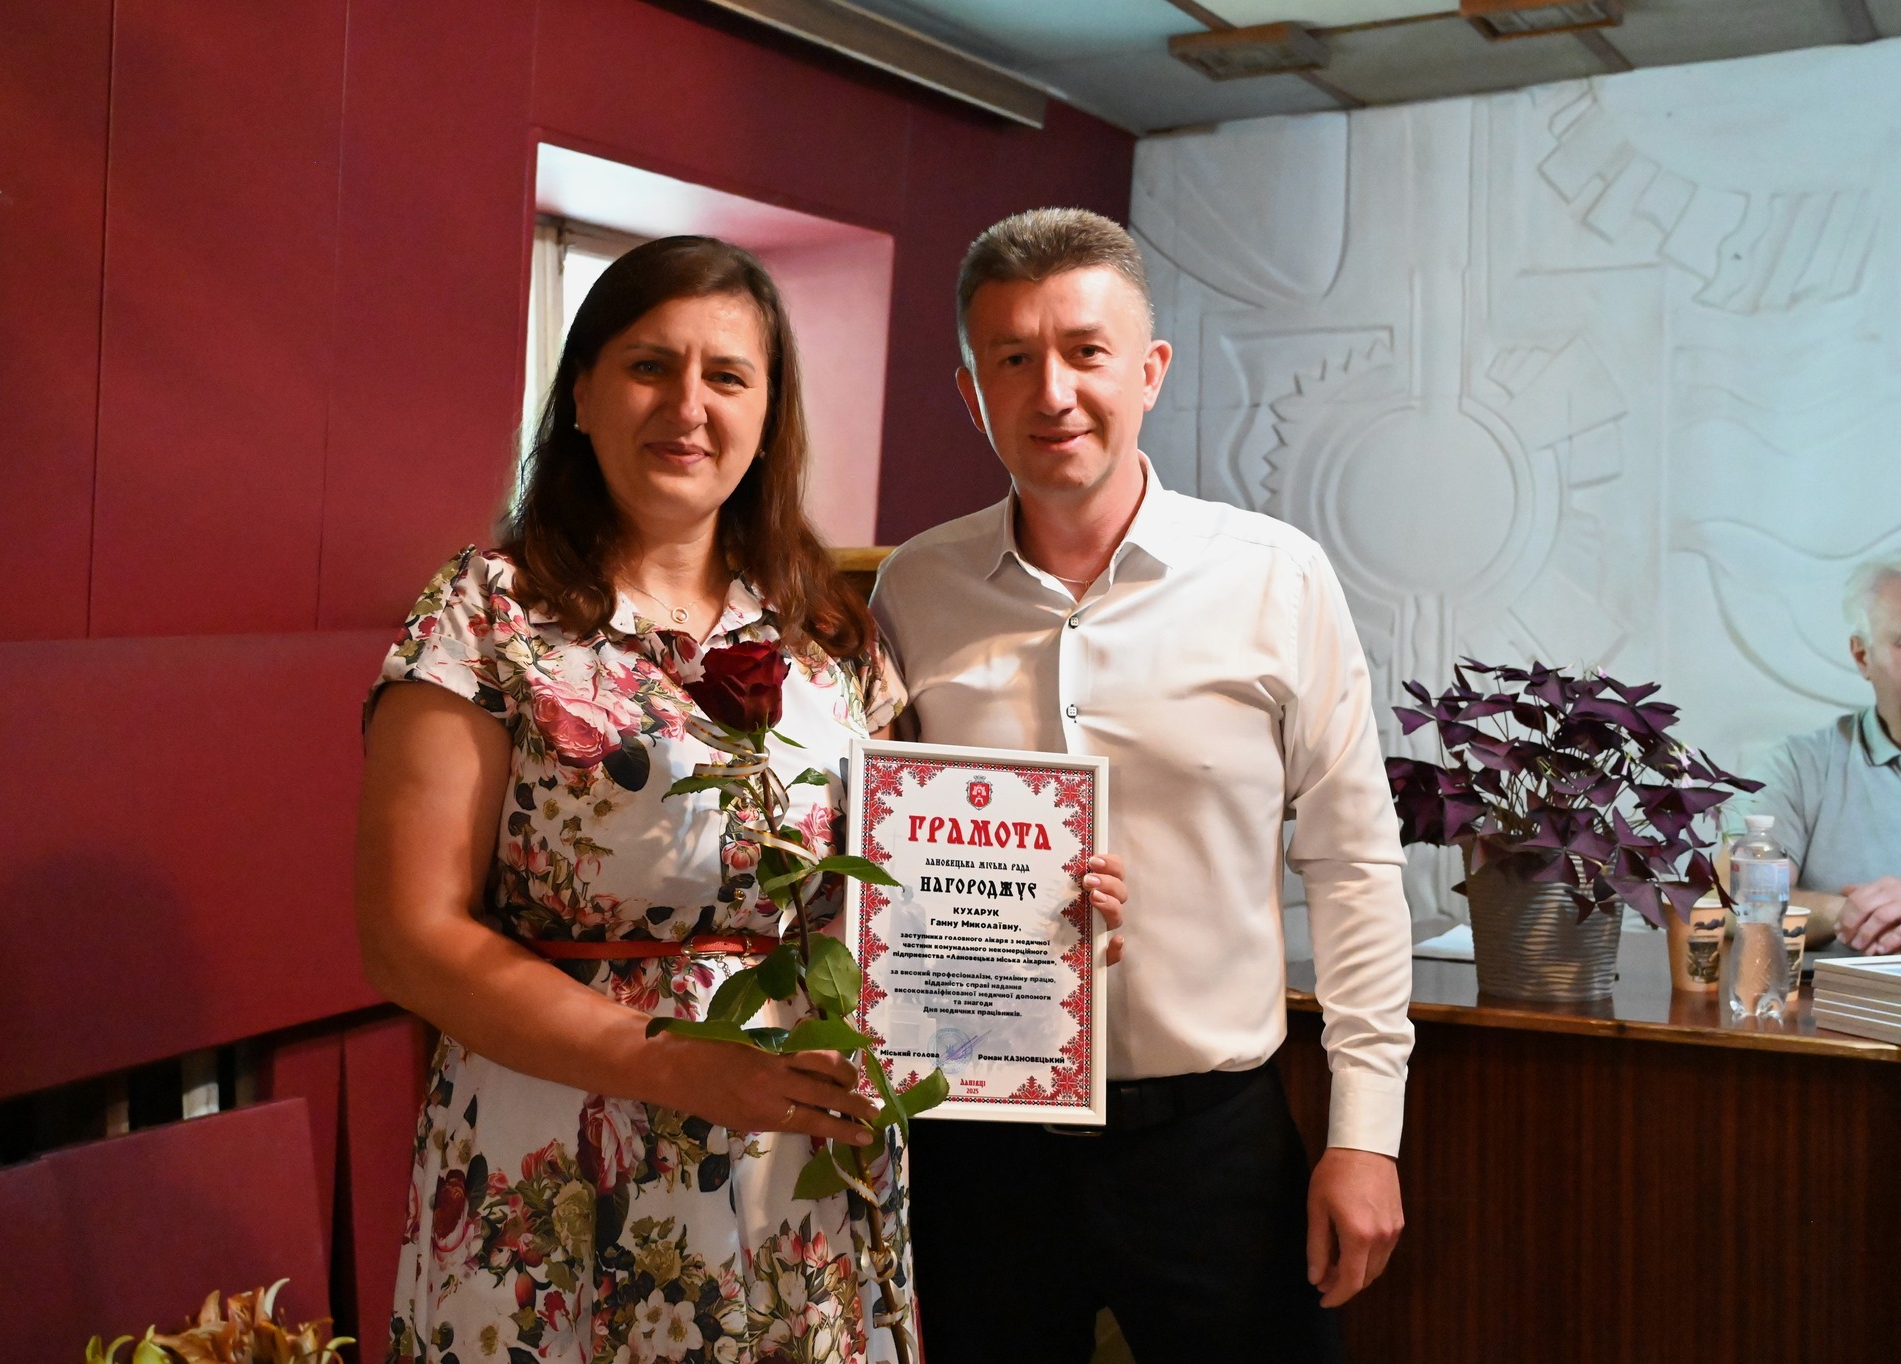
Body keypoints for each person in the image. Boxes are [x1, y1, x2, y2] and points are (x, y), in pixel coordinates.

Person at [354, 234, 1130, 1364]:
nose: (688, 406)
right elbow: (409, 936)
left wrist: (1037, 936)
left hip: (801, 1171)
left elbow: (899, 902)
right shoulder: (487, 616)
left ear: (767, 416)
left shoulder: (832, 634)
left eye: (726, 376)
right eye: (648, 366)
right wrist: (670, 1062)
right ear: (581, 394)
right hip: (559, 1158)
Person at [871, 208, 1412, 1364]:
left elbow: (1354, 864)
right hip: (976, 1144)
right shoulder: (913, 589)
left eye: (1085, 351)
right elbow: (876, 855)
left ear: (1149, 370)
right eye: (1011, 358)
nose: (1051, 391)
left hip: (1211, 1145)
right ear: (970, 392)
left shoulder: (1273, 578)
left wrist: (1365, 1132)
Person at [1749, 556, 1901, 955]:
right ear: (1862, 656)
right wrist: (1851, 913)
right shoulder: (1798, 765)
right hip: (1833, 996)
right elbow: (1737, 897)